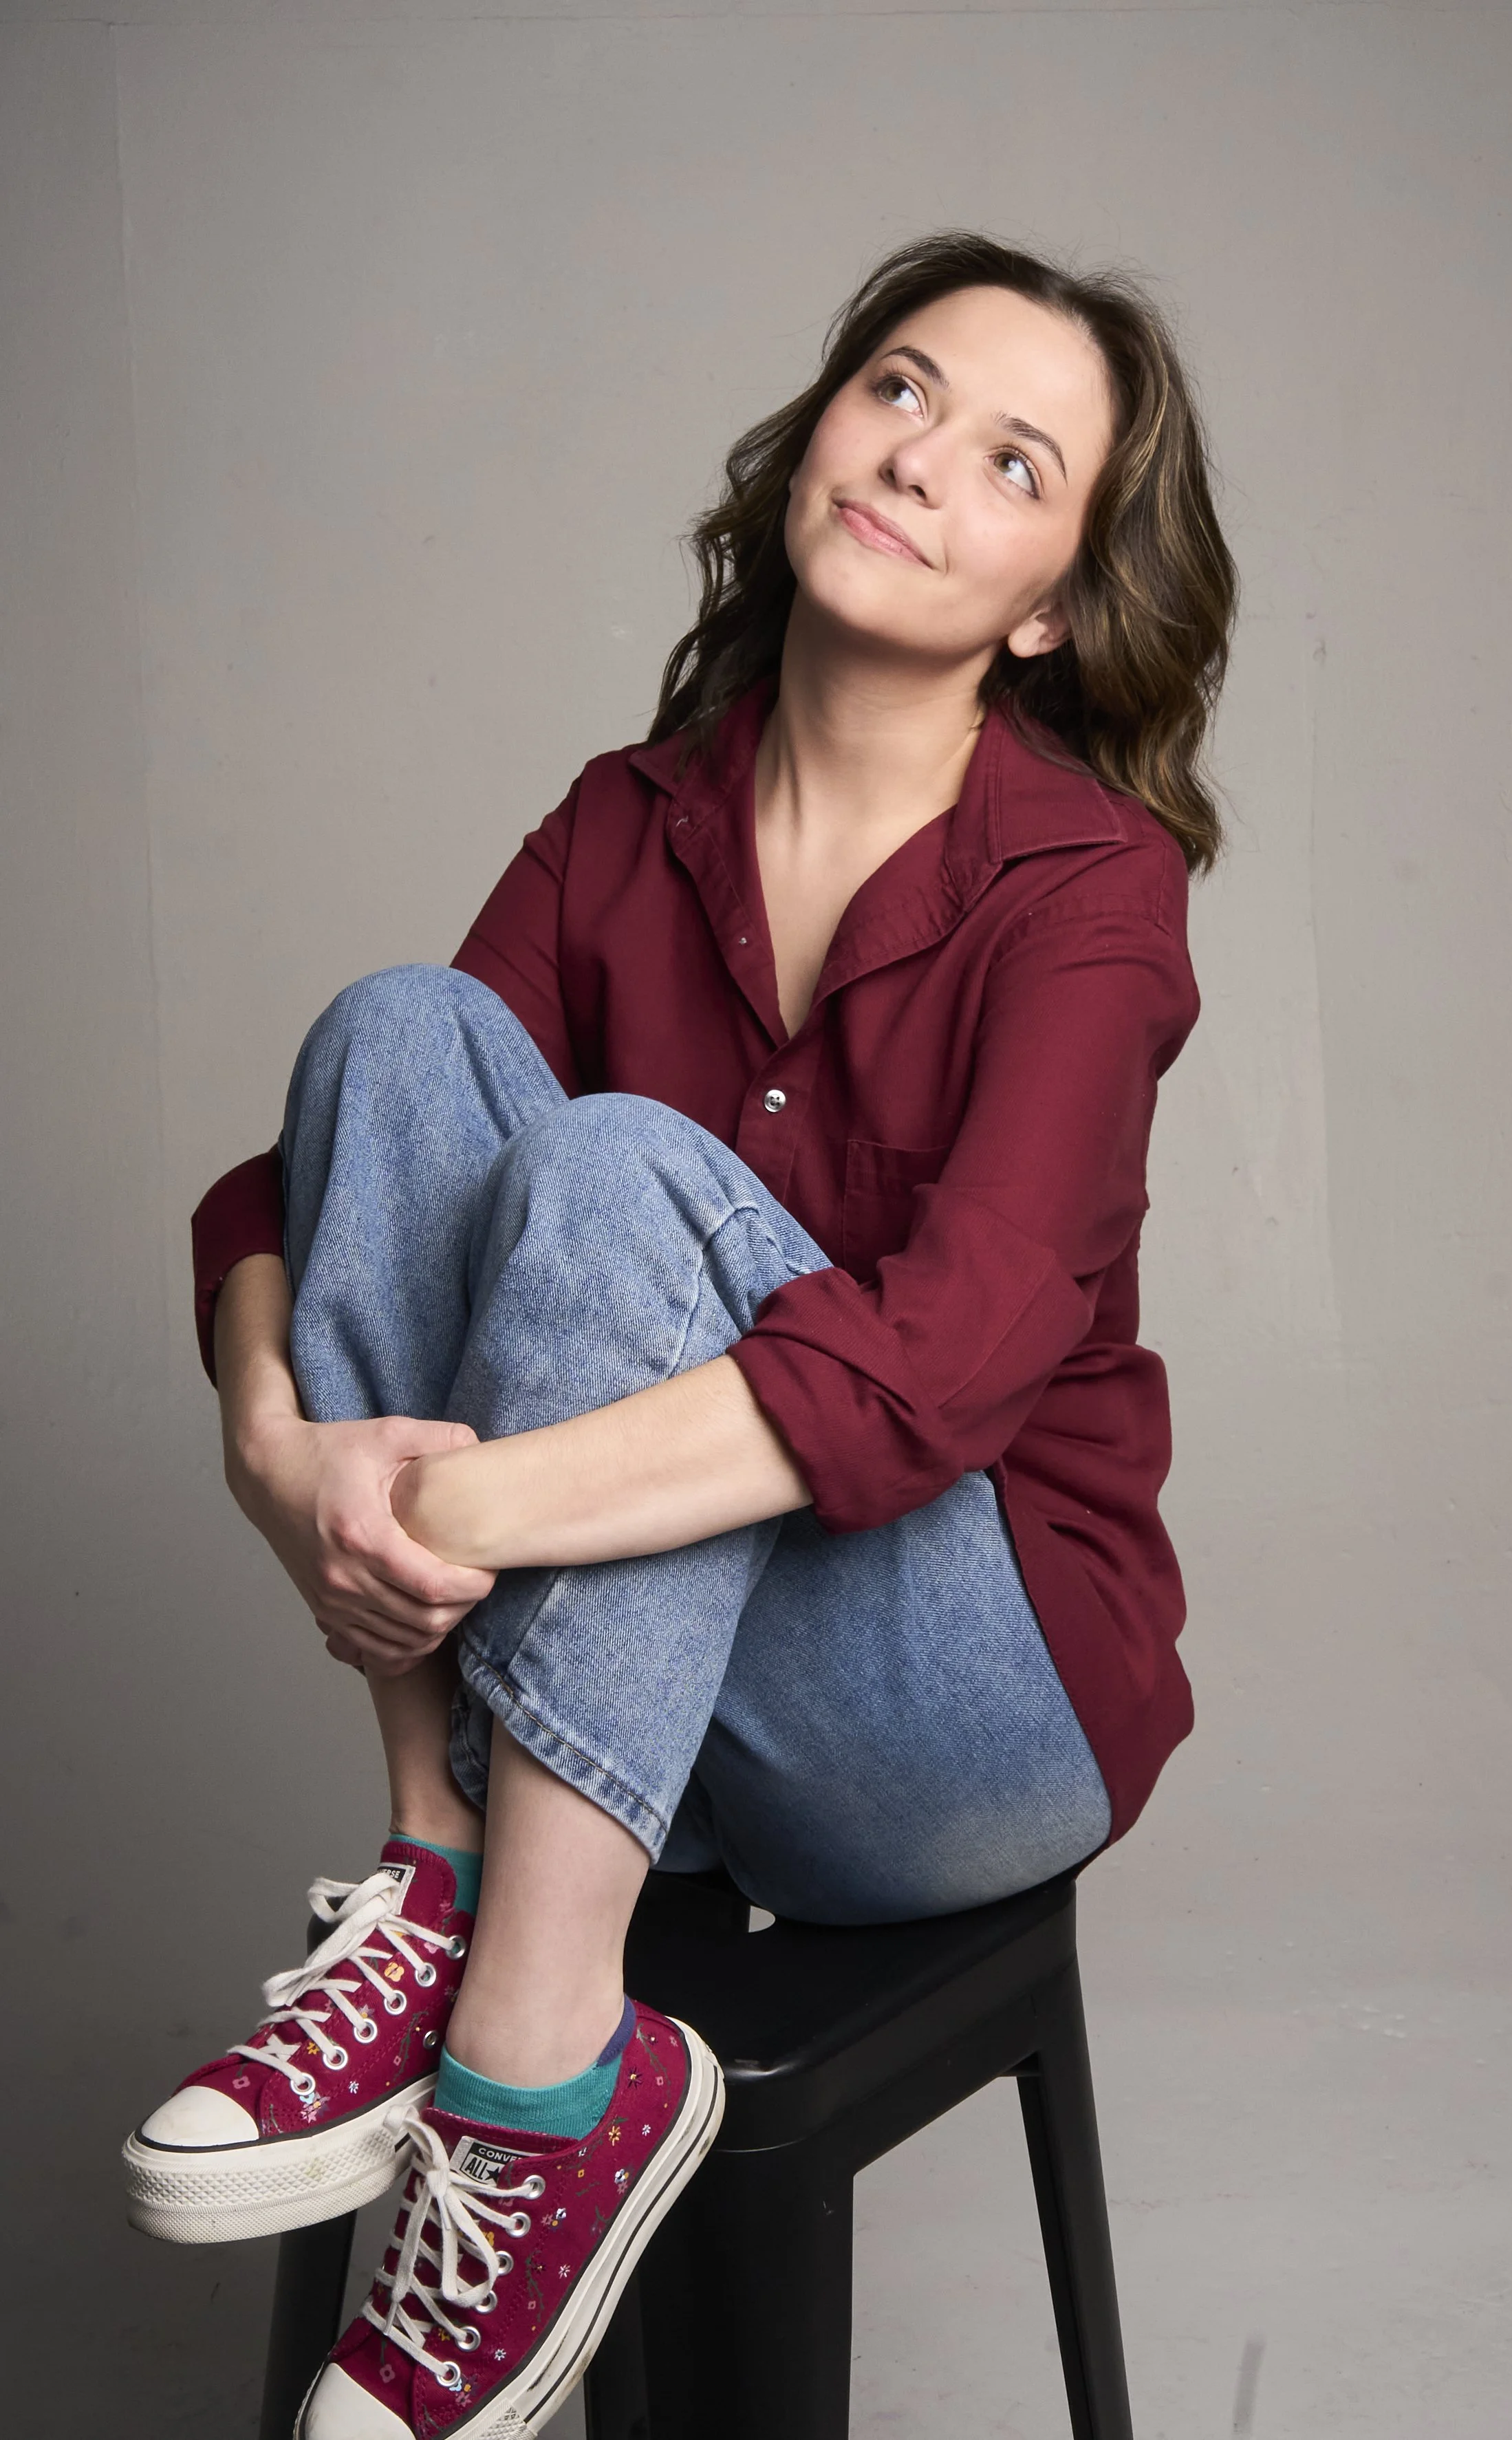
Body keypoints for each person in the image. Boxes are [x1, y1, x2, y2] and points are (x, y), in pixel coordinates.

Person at [122, 230, 1235, 2437]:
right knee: (399, 1032)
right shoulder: (625, 823)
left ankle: (540, 2075)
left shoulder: (1086, 893)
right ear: (818, 428)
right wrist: (275, 1450)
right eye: (898, 389)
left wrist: (439, 1512)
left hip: (961, 1704)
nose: (918, 459)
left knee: (617, 1165)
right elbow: (324, 1188)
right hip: (654, 1701)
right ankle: (439, 1868)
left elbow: (947, 1361)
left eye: (1012, 461)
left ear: (1049, 605)